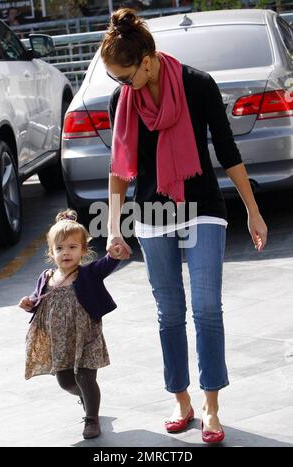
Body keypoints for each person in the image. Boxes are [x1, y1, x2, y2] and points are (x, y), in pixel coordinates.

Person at [101, 8, 268, 444]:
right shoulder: (125, 101)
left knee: (207, 308)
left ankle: (212, 408)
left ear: (148, 59)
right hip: (152, 213)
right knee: (169, 312)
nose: (122, 86)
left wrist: (252, 209)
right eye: (116, 79)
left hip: (203, 207)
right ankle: (182, 401)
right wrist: (115, 226)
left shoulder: (197, 84)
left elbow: (228, 150)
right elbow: (120, 167)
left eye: (126, 76)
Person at [18, 209, 121, 439]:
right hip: (60, 340)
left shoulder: (88, 274)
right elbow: (37, 300)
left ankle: (91, 418)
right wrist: (28, 303)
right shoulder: (46, 278)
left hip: (87, 336)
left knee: (86, 376)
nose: (66, 252)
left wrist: (114, 254)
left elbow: (107, 264)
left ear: (83, 250)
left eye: (73, 247)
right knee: (65, 382)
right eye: (60, 248)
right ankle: (85, 397)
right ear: (51, 252)